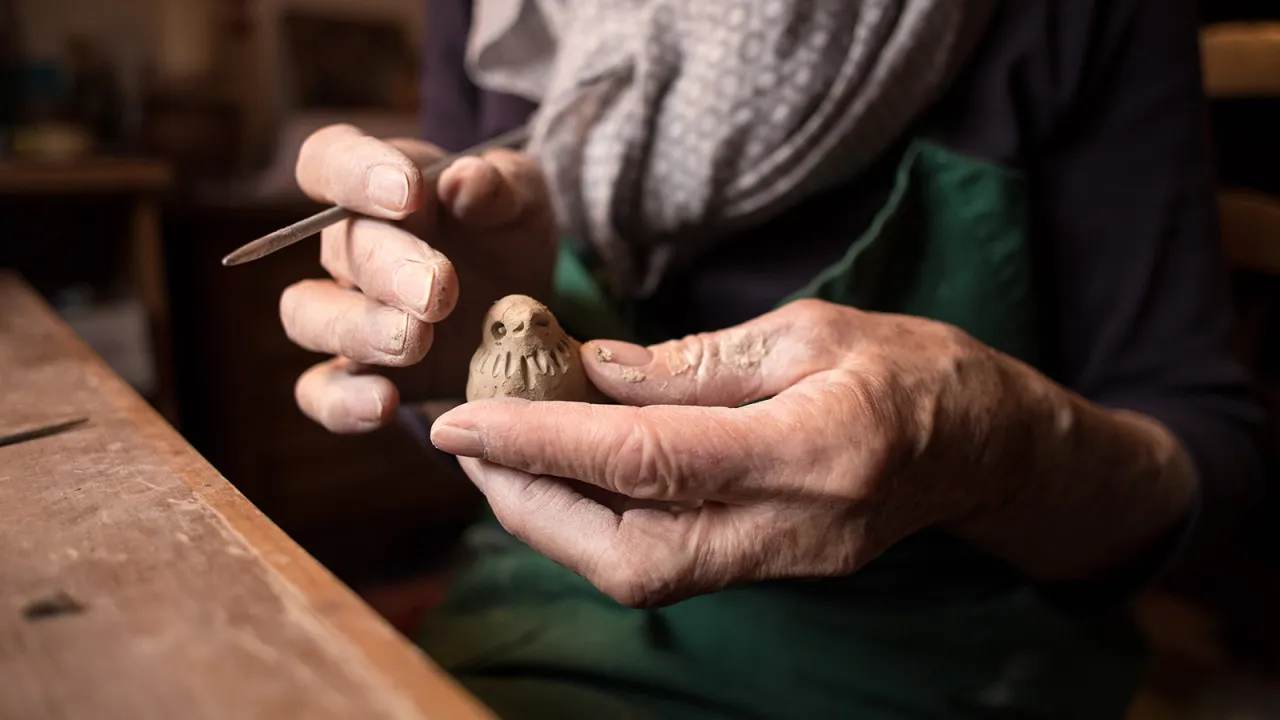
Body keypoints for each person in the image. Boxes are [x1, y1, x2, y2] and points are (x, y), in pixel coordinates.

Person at [277, 0, 1266, 717]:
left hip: (931, 661)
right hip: (541, 615)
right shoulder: (498, 16)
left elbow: (1208, 457)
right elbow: (462, 400)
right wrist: (423, 334)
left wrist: (1002, 447)